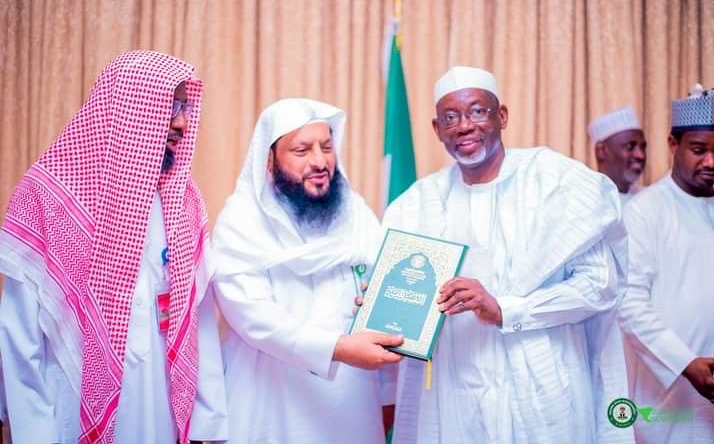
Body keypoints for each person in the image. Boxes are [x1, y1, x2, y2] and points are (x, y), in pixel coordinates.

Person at [382, 66, 633, 443]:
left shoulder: (557, 182)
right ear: (437, 130)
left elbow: (599, 286)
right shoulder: (418, 204)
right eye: (450, 117)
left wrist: (505, 309)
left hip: (544, 391)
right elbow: (403, 302)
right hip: (455, 395)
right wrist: (379, 305)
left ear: (502, 116)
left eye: (478, 111)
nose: (464, 125)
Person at [0, 50, 227, 443]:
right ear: (128, 106)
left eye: (184, 106)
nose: (181, 121)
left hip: (161, 398)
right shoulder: (49, 197)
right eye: (169, 105)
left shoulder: (183, 199)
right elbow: (19, 339)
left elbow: (197, 316)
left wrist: (208, 422)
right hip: (70, 401)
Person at [212, 98, 402, 443]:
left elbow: (382, 288)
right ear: (269, 160)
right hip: (271, 396)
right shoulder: (241, 221)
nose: (320, 161)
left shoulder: (354, 212)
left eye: (326, 147)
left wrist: (388, 391)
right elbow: (254, 318)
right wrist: (339, 348)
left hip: (352, 396)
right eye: (301, 150)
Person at [618, 83, 714, 442]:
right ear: (673, 145)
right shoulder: (645, 212)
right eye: (698, 150)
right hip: (673, 394)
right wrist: (684, 363)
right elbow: (628, 303)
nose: (711, 161)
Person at [588, 107, 647, 205]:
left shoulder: (648, 199)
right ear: (601, 151)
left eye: (643, 147)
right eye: (630, 146)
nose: (640, 155)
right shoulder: (585, 199)